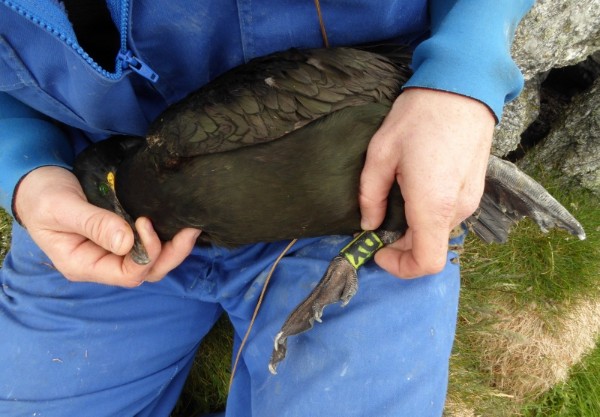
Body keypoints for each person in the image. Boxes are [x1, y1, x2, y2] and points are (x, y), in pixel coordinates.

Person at [0, 1, 534, 416]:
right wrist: (25, 172)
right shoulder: (122, 180)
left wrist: (462, 77)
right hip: (94, 205)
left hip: (360, 188)